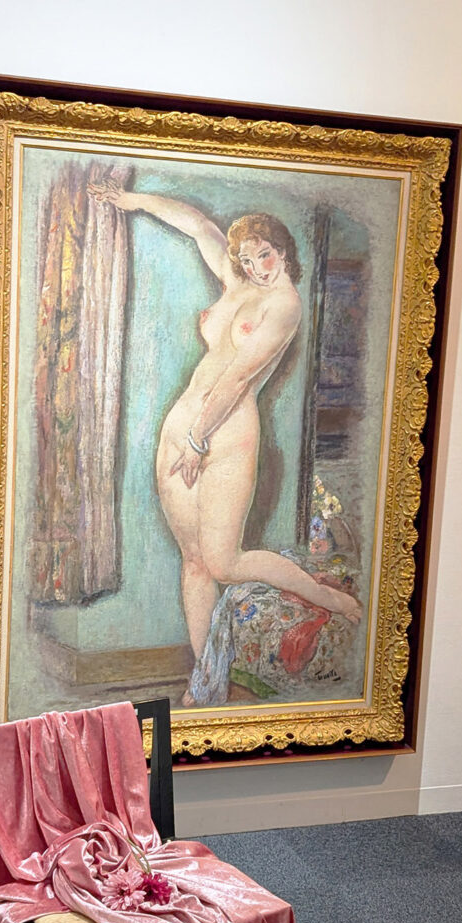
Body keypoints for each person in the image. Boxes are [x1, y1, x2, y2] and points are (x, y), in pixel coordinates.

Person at [89, 181, 361, 669]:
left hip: (228, 435)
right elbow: (197, 225)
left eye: (265, 255)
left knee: (224, 562)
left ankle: (329, 598)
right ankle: (205, 678)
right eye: (248, 259)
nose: (257, 267)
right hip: (182, 427)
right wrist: (131, 201)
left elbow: (237, 378)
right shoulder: (239, 285)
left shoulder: (285, 306)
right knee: (194, 560)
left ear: (283, 251)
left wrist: (198, 440)